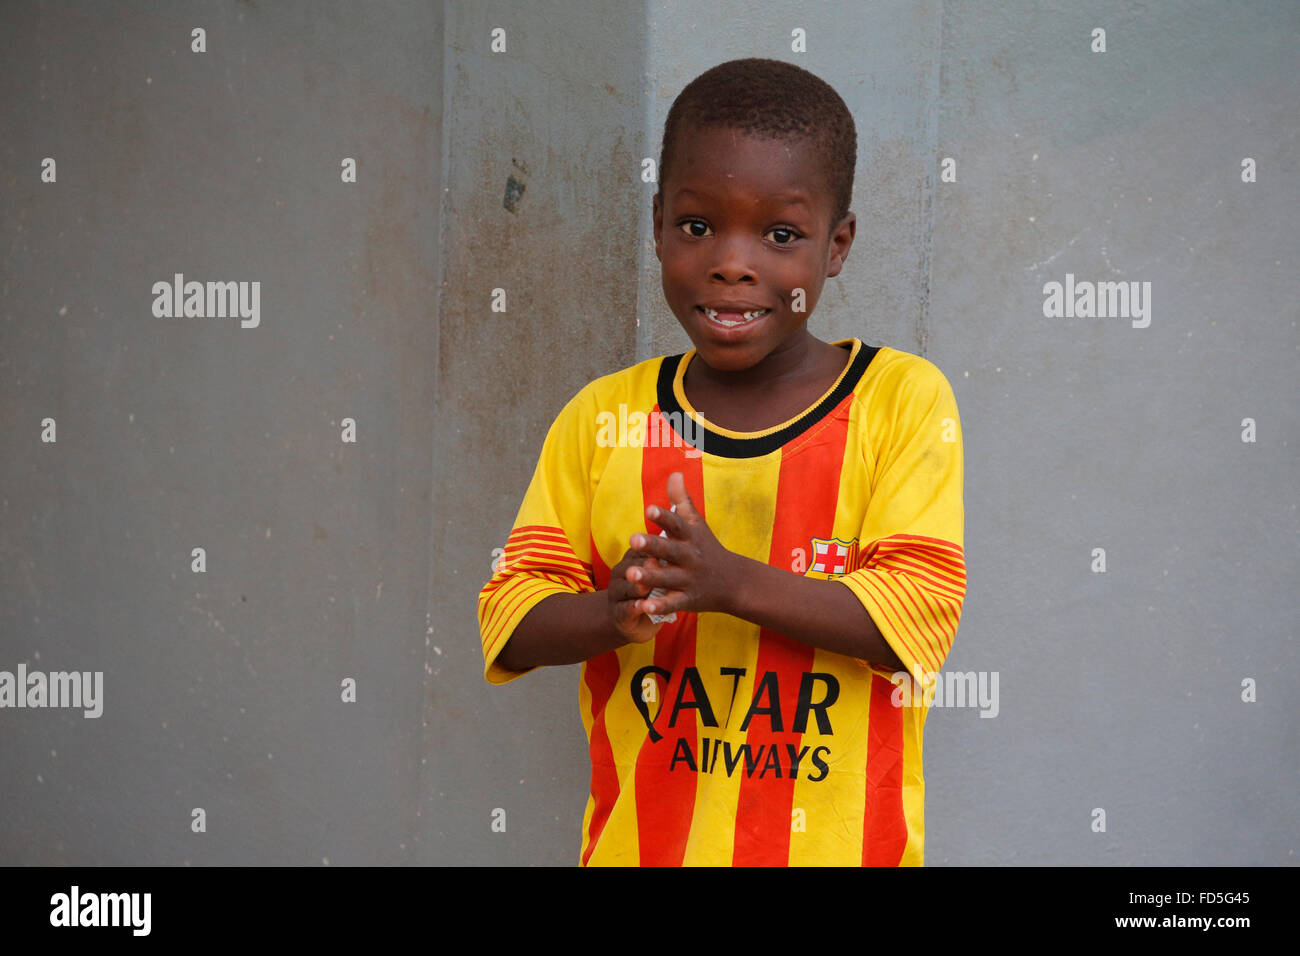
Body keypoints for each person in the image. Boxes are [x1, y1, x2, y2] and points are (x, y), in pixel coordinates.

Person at [477, 58, 965, 866]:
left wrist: (727, 582)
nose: (732, 264)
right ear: (658, 223)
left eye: (781, 235)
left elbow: (913, 619)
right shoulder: (606, 419)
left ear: (837, 245)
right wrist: (615, 612)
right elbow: (510, 618)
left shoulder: (900, 403)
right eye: (699, 227)